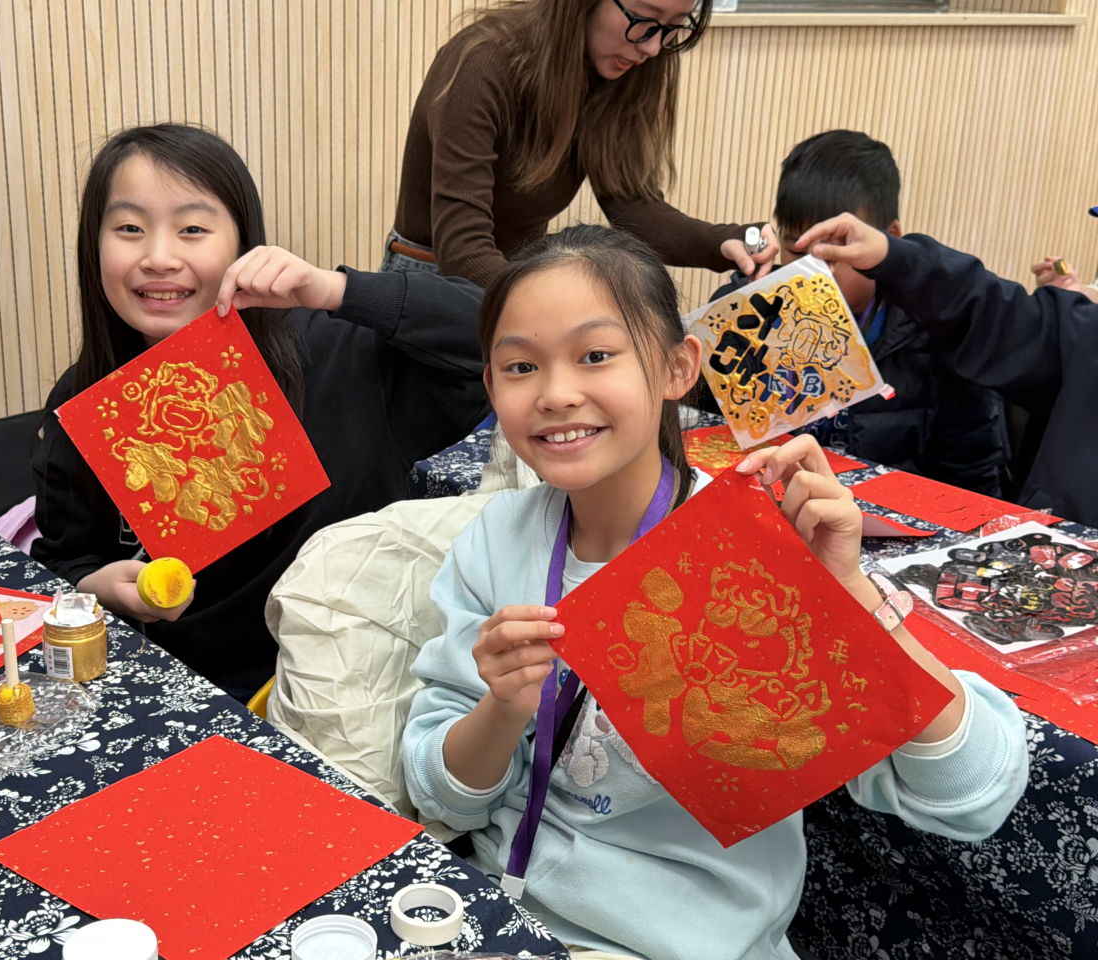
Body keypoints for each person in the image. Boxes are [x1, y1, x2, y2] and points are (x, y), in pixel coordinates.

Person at [402, 225, 1027, 959]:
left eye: (596, 355)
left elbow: (973, 794)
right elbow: (443, 796)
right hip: (499, 911)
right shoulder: (494, 540)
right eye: (520, 366)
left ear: (678, 368)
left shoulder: (754, 550)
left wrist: (850, 594)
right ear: (491, 388)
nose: (556, 393)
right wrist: (503, 709)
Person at [32, 124, 489, 701]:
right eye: (129, 229)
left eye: (192, 229)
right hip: (185, 694)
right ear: (93, 247)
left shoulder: (340, 355)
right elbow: (61, 559)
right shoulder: (83, 400)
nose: (159, 257)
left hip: (349, 694)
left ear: (242, 243)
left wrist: (335, 290)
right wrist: (99, 585)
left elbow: (493, 338)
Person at [694, 130, 1011, 496]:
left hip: (883, 516)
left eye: (834, 252)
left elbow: (972, 486)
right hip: (765, 503)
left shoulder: (936, 335)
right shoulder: (742, 316)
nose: (813, 272)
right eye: (797, 251)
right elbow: (700, 437)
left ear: (890, 240)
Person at [385, 0, 779, 286]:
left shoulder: (619, 70)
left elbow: (632, 206)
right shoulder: (483, 62)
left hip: (516, 277)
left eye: (674, 26)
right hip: (431, 278)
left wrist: (724, 241)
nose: (653, 47)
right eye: (643, 19)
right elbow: (463, 250)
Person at [795, 212, 1098, 528]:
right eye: (798, 250)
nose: (818, 269)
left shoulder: (927, 348)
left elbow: (974, 469)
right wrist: (893, 257)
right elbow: (989, 310)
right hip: (1048, 546)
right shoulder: (1075, 335)